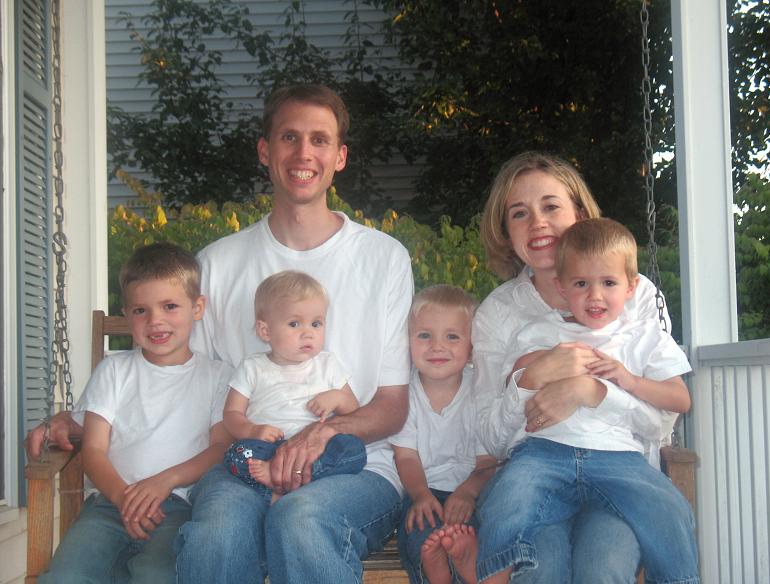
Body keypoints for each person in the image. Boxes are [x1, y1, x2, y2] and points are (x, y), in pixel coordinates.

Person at [27, 84, 413, 583]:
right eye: (289, 137)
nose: (303, 153)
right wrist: (80, 418)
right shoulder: (219, 264)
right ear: (265, 151)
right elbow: (176, 374)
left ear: (340, 156)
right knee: (217, 534)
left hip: (355, 469)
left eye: (319, 140)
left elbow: (392, 405)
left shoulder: (383, 258)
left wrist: (323, 433)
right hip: (240, 464)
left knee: (300, 519)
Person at [472, 151, 675, 582]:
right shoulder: (498, 313)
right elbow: (491, 438)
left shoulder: (634, 293)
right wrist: (532, 379)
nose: (537, 223)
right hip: (538, 480)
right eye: (520, 213)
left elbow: (662, 423)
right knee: (539, 570)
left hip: (621, 479)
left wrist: (591, 393)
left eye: (551, 206)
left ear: (579, 214)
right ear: (506, 232)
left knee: (603, 568)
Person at [39, 242, 233, 583]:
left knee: (157, 575)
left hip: (177, 505)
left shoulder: (217, 376)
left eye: (170, 306)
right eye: (141, 310)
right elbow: (93, 449)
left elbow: (220, 448)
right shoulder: (114, 371)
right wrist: (123, 498)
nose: (155, 320)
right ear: (127, 315)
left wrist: (165, 481)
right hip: (108, 504)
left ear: (197, 307)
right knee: (67, 576)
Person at [222, 270, 366, 497]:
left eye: (316, 323)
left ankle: (289, 478)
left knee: (353, 449)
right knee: (237, 454)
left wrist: (338, 398)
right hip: (267, 448)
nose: (308, 333)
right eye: (294, 323)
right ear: (265, 331)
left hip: (315, 450)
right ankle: (279, 476)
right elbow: (231, 413)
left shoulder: (327, 364)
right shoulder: (252, 367)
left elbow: (354, 410)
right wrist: (252, 430)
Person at [389, 285, 497, 584]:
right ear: (407, 342)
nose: (437, 346)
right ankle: (434, 571)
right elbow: (406, 457)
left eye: (452, 337)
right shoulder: (404, 392)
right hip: (423, 489)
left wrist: (467, 493)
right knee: (419, 532)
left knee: (473, 533)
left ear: (471, 347)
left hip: (472, 490)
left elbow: (488, 463)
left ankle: (466, 567)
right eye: (425, 335)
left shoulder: (480, 390)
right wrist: (421, 495)